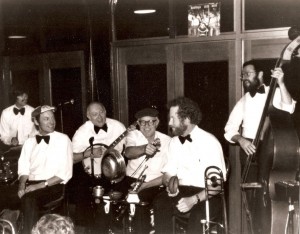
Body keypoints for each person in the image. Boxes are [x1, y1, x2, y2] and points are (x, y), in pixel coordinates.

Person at [153, 97, 226, 234]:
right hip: (180, 191)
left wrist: (193, 200)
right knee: (160, 203)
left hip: (206, 195)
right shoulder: (174, 143)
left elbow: (217, 186)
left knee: (197, 216)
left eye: (172, 119)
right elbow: (167, 174)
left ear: (186, 119)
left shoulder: (210, 142)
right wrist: (170, 184)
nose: (169, 123)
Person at [224, 60, 296, 175]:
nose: (244, 78)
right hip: (249, 149)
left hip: (272, 148)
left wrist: (281, 84)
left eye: (248, 74)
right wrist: (241, 140)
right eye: (243, 75)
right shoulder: (244, 100)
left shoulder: (275, 92)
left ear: (260, 74)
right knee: (249, 188)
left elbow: (288, 108)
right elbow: (229, 128)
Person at [114, 107, 171, 234]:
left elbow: (168, 174)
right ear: (138, 124)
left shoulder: (168, 141)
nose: (146, 125)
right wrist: (144, 148)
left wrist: (144, 186)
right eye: (142, 122)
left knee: (138, 199)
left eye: (150, 121)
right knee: (109, 197)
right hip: (130, 179)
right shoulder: (133, 135)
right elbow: (128, 152)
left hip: (154, 183)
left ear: (156, 122)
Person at [18, 105, 73, 234]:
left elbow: (64, 173)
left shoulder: (63, 139)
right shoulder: (29, 142)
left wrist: (39, 186)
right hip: (31, 185)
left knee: (29, 200)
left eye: (52, 118)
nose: (52, 122)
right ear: (36, 122)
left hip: (53, 185)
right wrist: (21, 186)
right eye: (46, 119)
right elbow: (23, 168)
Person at [71, 101, 127, 227]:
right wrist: (88, 153)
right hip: (91, 174)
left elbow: (128, 150)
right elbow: (72, 158)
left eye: (101, 112)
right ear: (88, 116)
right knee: (82, 191)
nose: (100, 117)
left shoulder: (118, 126)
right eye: (95, 114)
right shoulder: (82, 131)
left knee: (123, 188)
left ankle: (116, 223)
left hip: (115, 172)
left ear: (105, 111)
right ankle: (88, 227)